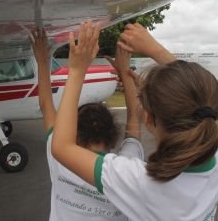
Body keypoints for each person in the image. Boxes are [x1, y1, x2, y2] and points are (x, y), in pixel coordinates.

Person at [51, 21, 218, 221]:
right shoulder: (213, 156)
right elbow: (197, 97)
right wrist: (155, 51)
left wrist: (76, 70)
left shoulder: (143, 183)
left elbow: (61, 147)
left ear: (148, 118)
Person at [113, 22, 218, 221]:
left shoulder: (134, 177)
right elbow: (202, 100)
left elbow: (198, 104)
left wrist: (155, 50)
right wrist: (153, 92)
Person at [31, 28, 143, 221]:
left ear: (74, 133)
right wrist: (125, 72)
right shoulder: (126, 168)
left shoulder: (58, 152)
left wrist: (42, 60)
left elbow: (45, 104)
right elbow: (134, 121)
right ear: (112, 135)